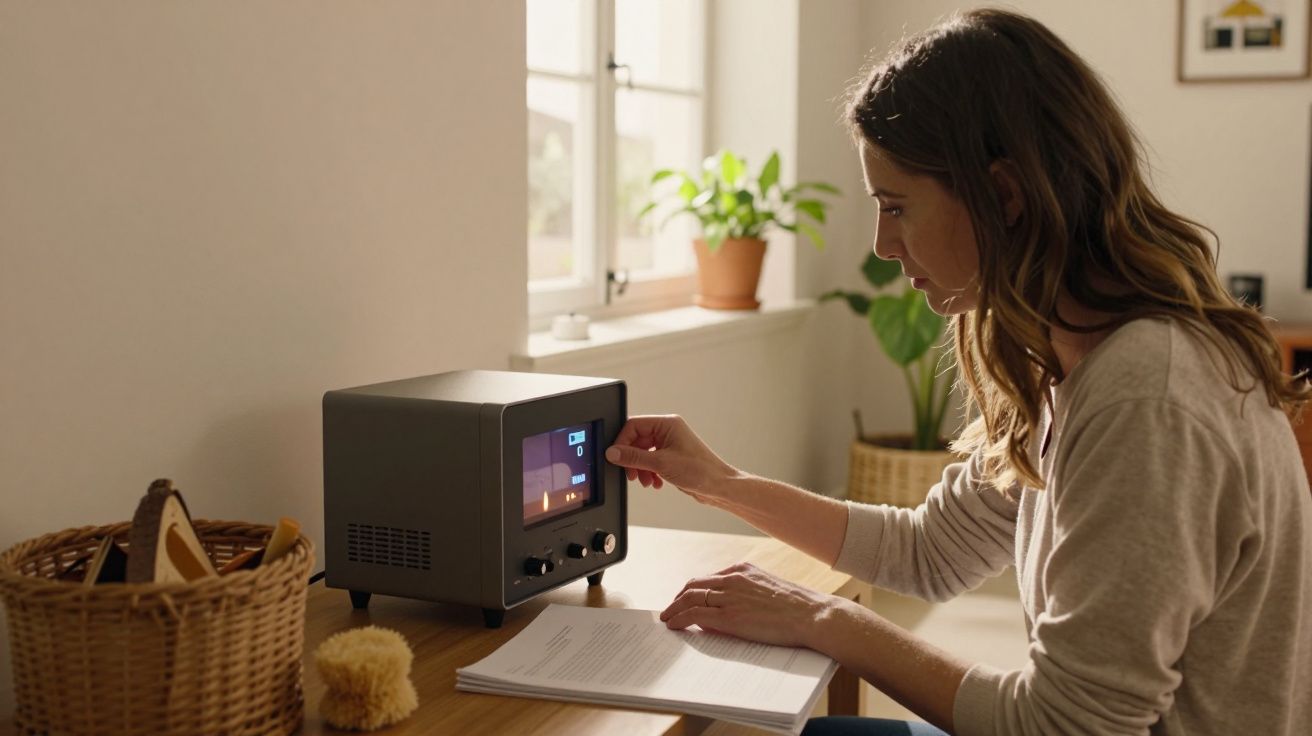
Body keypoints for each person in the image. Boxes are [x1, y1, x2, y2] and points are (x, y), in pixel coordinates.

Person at [602, 9, 1312, 736]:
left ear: (1004, 197)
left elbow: (1062, 727)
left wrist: (824, 619)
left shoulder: (1146, 394)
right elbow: (930, 551)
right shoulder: (1074, 358)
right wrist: (720, 483)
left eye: (896, 207)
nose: (883, 244)